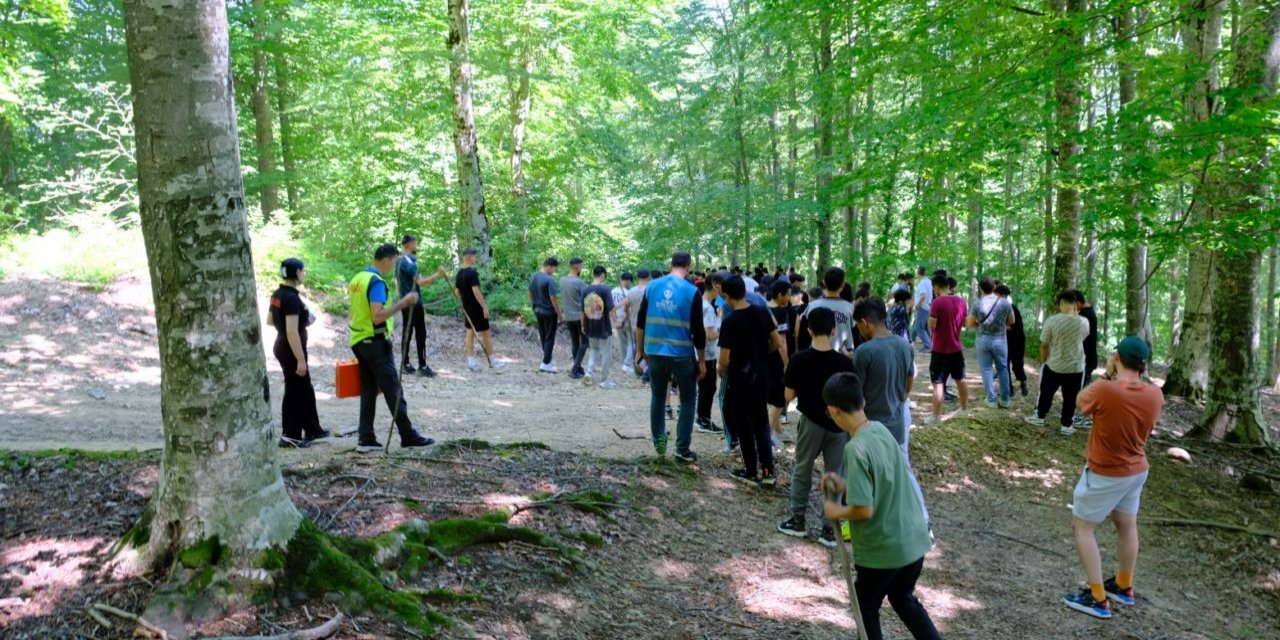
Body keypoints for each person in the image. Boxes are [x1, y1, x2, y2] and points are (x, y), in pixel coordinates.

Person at [820, 372, 941, 640]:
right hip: (913, 542)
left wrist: (835, 511)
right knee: (902, 597)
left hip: (885, 552)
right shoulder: (880, 430)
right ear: (863, 401)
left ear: (834, 411)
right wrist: (843, 486)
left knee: (866, 607)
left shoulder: (855, 448)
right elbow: (883, 480)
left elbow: (864, 509)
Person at [1062, 336, 1164, 620]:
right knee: (1126, 524)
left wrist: (1107, 373)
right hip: (1136, 470)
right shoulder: (1155, 394)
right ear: (1144, 364)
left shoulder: (1107, 390)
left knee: (1082, 527)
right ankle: (1123, 584)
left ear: (1117, 356)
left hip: (1106, 472)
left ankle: (1097, 598)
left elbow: (1080, 400)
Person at [348, 243, 435, 453]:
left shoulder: (357, 279)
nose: (393, 266)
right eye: (394, 262)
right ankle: (408, 435)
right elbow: (377, 315)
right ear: (386, 259)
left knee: (368, 390)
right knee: (393, 390)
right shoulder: (376, 282)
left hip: (359, 341)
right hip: (376, 343)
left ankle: (366, 438)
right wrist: (403, 303)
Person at [777, 307, 854, 546]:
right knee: (835, 472)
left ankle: (797, 519)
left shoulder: (799, 359)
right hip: (838, 424)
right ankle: (829, 528)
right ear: (833, 331)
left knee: (803, 468)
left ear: (809, 329)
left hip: (810, 421)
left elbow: (788, 394)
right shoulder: (844, 361)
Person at [853, 297, 929, 524]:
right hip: (897, 419)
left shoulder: (864, 351)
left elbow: (857, 395)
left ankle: (880, 519)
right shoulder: (905, 346)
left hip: (872, 424)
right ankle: (918, 518)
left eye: (858, 325)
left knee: (873, 473)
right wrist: (898, 400)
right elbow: (908, 384)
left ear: (865, 323)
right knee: (901, 469)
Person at [635, 252, 706, 463]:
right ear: (689, 266)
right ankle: (682, 450)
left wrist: (640, 351)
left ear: (670, 264)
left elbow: (640, 323)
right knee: (687, 399)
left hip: (655, 351)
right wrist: (701, 361)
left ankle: (660, 444)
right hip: (682, 354)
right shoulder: (692, 292)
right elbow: (699, 331)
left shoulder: (652, 287)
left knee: (657, 396)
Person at [718, 275, 783, 486]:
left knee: (744, 424)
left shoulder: (730, 321)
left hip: (740, 377)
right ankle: (768, 471)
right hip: (761, 374)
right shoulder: (762, 312)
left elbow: (724, 359)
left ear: (726, 295)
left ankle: (750, 470)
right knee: (761, 421)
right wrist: (762, 355)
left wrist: (721, 369)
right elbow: (776, 342)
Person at [268, 258, 328, 448]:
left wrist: (302, 320)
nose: (304, 273)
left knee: (305, 388)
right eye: (303, 270)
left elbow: (271, 321)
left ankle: (312, 429)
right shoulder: (292, 298)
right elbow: (291, 331)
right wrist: (300, 360)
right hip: (291, 349)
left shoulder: (279, 294)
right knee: (294, 392)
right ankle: (290, 436)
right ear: (296, 273)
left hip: (283, 345)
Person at [1027, 291, 1091, 435]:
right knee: (1071, 397)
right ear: (1075, 305)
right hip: (1075, 366)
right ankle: (1066, 425)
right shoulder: (1083, 322)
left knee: (1046, 392)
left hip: (1054, 363)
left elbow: (1044, 344)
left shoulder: (1052, 320)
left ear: (1062, 303)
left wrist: (1044, 359)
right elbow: (1083, 337)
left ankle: (1040, 416)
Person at [395, 235, 447, 378]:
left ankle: (405, 364)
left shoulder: (398, 262)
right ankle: (422, 366)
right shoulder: (410, 263)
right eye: (415, 243)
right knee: (420, 334)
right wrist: (438, 274)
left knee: (407, 332)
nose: (416, 245)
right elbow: (421, 282)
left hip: (404, 302)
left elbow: (397, 284)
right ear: (410, 244)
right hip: (414, 303)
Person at [967, 276, 1015, 409]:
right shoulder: (1004, 303)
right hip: (1000, 340)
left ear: (980, 288)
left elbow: (970, 323)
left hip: (983, 339)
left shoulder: (977, 303)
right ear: (994, 286)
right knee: (1003, 369)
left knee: (986, 369)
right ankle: (1005, 399)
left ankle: (991, 399)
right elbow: (1012, 321)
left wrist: (981, 325)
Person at [927, 275, 969, 423]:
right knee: (960, 379)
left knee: (938, 383)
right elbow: (965, 323)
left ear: (937, 287)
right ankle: (964, 409)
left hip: (940, 349)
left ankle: (935, 416)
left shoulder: (937, 302)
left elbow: (932, 324)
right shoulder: (961, 301)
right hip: (956, 348)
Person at [454, 247, 503, 371]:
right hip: (476, 308)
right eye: (474, 256)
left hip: (467, 308)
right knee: (486, 334)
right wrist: (484, 307)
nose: (475, 258)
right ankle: (492, 361)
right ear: (469, 257)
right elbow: (476, 291)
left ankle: (471, 362)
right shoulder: (472, 273)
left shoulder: (459, 273)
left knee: (469, 334)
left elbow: (457, 292)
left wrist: (464, 300)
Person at [798, 267, 857, 355]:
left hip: (814, 356)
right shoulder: (850, 308)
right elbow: (856, 335)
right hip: (843, 358)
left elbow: (803, 336)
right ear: (843, 285)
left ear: (824, 282)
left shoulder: (811, 306)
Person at [766, 280, 794, 439]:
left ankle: (779, 431)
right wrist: (786, 363)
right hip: (777, 360)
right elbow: (781, 341)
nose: (789, 298)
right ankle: (768, 433)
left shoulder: (763, 309)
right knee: (779, 399)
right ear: (780, 295)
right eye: (788, 294)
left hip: (765, 358)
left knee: (773, 394)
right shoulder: (782, 312)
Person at [581, 265, 616, 388]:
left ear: (593, 275)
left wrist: (583, 325)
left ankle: (589, 373)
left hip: (590, 325)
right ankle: (604, 380)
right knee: (606, 353)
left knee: (594, 350)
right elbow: (611, 309)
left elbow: (582, 311)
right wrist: (615, 322)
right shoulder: (605, 290)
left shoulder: (585, 290)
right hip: (604, 327)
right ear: (602, 275)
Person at [696, 279, 723, 433]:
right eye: (718, 287)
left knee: (706, 387)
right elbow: (709, 335)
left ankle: (703, 418)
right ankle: (703, 419)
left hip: (703, 352)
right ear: (713, 287)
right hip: (707, 354)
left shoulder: (702, 305)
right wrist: (722, 325)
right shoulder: (707, 308)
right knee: (708, 387)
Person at [529, 257, 563, 373]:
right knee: (550, 337)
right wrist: (559, 313)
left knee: (543, 336)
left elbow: (529, 293)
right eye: (554, 268)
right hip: (549, 312)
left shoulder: (534, 276)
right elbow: (553, 298)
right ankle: (545, 363)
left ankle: (547, 359)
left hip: (537, 310)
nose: (554, 271)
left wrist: (533, 306)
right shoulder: (549, 280)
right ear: (550, 266)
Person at [999, 283, 1030, 397]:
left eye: (996, 295)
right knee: (1004, 365)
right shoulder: (1004, 306)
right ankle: (1009, 390)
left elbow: (1011, 327)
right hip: (1006, 341)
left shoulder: (1011, 307)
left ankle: (1023, 382)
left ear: (1002, 295)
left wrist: (997, 325)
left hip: (1016, 341)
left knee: (1017, 365)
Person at [560, 258, 589, 379]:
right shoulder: (579, 282)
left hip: (568, 316)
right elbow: (588, 298)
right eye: (581, 266)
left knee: (575, 342)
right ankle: (575, 367)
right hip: (579, 316)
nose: (581, 268)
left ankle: (578, 368)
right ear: (576, 267)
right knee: (585, 342)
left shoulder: (562, 280)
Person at [626, 269, 651, 379]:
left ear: (637, 278)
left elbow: (627, 306)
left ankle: (640, 369)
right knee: (648, 348)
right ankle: (647, 370)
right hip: (648, 323)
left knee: (638, 348)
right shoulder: (650, 290)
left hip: (635, 322)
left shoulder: (631, 291)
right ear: (648, 277)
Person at [612, 272, 635, 375]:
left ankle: (624, 363)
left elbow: (611, 308)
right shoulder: (628, 293)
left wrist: (615, 320)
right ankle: (627, 364)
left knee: (622, 342)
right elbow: (628, 310)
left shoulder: (612, 291)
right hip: (626, 320)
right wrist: (622, 320)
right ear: (628, 281)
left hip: (616, 320)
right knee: (632, 342)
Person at [912, 266, 933, 353]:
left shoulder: (922, 283)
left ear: (918, 272)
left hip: (923, 307)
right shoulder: (929, 281)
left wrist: (917, 305)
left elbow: (923, 295)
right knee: (925, 327)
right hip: (928, 307)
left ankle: (928, 346)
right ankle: (929, 345)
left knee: (919, 327)